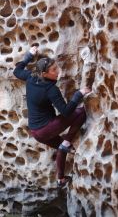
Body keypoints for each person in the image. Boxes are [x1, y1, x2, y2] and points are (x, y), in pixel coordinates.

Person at [13, 46, 91, 188]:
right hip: (45, 129)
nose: (58, 71)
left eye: (56, 67)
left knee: (63, 147)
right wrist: (78, 94)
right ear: (44, 74)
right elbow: (66, 111)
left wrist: (28, 56)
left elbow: (17, 71)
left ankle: (60, 179)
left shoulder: (31, 76)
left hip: (36, 131)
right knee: (80, 112)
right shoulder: (50, 89)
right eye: (54, 70)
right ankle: (67, 142)